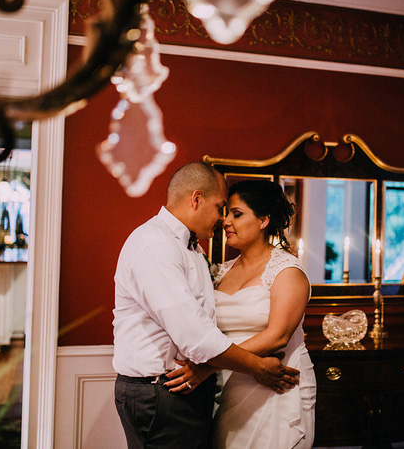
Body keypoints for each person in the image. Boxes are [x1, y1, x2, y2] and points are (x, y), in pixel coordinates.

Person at [112, 162, 300, 449]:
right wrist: (258, 367)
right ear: (196, 199)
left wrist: (208, 373)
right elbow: (195, 335)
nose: (222, 218)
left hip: (190, 388)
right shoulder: (155, 244)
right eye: (220, 207)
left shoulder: (194, 250)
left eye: (232, 212)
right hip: (162, 393)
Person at [168, 179, 317, 448]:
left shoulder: (288, 271)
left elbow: (277, 336)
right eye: (225, 214)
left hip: (276, 384)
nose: (226, 222)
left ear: (263, 220)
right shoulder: (219, 272)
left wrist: (207, 366)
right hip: (228, 385)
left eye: (237, 214)